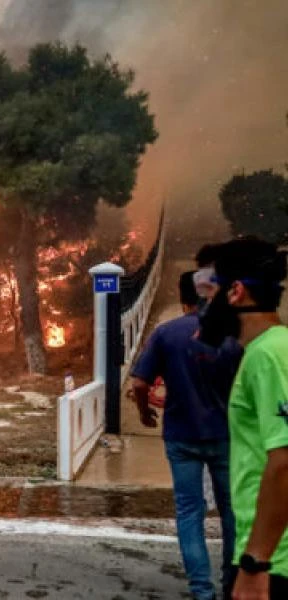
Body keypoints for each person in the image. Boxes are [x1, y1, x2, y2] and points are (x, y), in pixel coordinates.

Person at [130, 271, 239, 600]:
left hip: (182, 435)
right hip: (225, 435)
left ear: (182, 300)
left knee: (190, 511)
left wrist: (144, 412)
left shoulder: (166, 334)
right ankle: (232, 584)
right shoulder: (232, 335)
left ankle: (202, 591)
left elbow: (139, 383)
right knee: (231, 511)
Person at [198, 238, 288, 599]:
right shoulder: (263, 351)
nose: (205, 303)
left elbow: (284, 460)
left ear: (235, 292)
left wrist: (256, 563)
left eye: (210, 290)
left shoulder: (270, 355)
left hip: (274, 562)